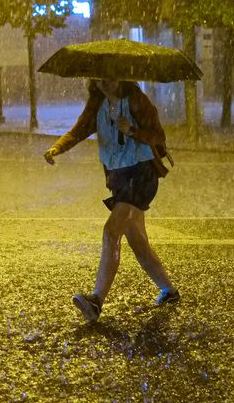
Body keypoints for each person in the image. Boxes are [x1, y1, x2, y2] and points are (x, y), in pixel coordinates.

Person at [44, 79, 179, 322]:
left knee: (111, 231)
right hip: (119, 178)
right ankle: (169, 291)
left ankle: (96, 300)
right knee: (138, 243)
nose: (106, 81)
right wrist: (57, 148)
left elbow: (158, 136)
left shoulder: (136, 100)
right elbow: (78, 131)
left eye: (110, 75)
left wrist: (132, 131)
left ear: (120, 75)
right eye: (99, 76)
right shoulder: (97, 104)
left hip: (141, 174)